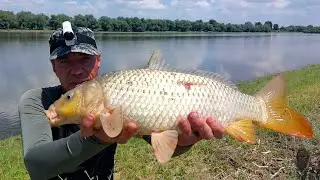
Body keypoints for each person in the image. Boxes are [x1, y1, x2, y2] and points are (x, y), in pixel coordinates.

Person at [18, 24, 225, 180]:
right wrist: (99, 139)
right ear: (53, 67)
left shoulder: (119, 92)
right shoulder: (38, 101)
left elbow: (166, 141)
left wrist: (186, 141)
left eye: (85, 59)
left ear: (98, 61)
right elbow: (37, 165)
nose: (77, 70)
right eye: (64, 62)